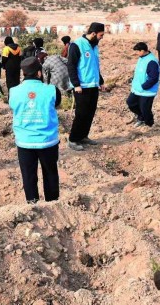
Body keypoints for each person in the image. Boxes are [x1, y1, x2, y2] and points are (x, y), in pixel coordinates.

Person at [10, 57, 62, 203]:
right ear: (39, 73)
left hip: (25, 142)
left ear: (23, 73)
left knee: (28, 175)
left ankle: (32, 203)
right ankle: (52, 203)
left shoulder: (13, 91)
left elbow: (13, 107)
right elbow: (56, 104)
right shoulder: (52, 90)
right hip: (48, 141)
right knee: (50, 173)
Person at [67, 22, 105, 151]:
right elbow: (71, 65)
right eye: (101, 35)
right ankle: (73, 139)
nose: (102, 37)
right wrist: (76, 84)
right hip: (81, 87)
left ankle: (83, 136)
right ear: (93, 33)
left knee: (90, 112)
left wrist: (101, 81)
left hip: (93, 85)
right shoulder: (77, 45)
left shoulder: (94, 46)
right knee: (81, 114)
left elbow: (94, 66)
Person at [126, 42, 160, 128]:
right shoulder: (141, 58)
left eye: (137, 51)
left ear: (142, 51)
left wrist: (144, 86)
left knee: (145, 109)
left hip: (147, 91)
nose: (136, 53)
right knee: (130, 103)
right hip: (137, 89)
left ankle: (150, 124)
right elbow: (139, 73)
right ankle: (141, 118)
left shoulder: (151, 61)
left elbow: (154, 78)